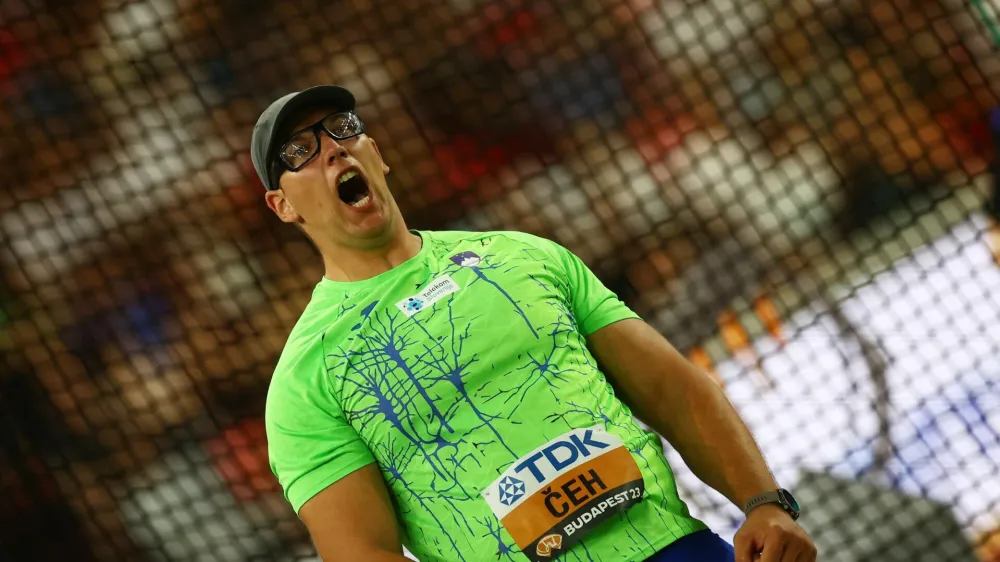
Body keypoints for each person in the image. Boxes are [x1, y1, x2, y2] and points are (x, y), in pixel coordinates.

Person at [251, 84, 817, 562]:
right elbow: (364, 556)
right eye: (300, 150)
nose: (332, 151)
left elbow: (673, 389)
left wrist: (765, 501)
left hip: (676, 550)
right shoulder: (307, 376)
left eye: (343, 129)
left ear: (376, 152)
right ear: (283, 206)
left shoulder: (521, 256)